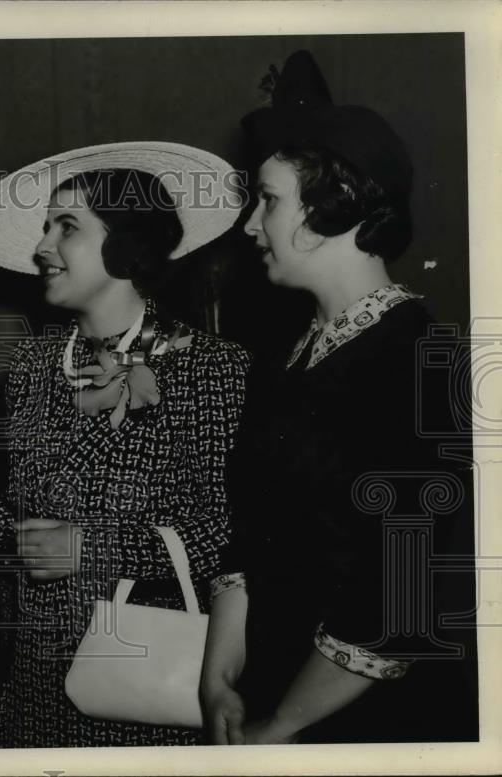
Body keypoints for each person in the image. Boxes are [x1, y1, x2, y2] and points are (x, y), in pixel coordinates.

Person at [0, 143, 251, 747]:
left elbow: (227, 534)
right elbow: (19, 509)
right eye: (46, 226)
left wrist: (92, 548)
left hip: (139, 689)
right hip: (30, 689)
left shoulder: (213, 369)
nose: (42, 247)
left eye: (66, 227)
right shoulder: (29, 368)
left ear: (127, 245)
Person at [201, 51, 472, 744]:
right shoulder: (285, 357)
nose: (250, 226)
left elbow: (399, 598)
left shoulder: (420, 361)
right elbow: (248, 538)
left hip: (367, 724)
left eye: (267, 200)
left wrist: (282, 725)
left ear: (334, 205)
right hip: (272, 701)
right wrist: (219, 678)